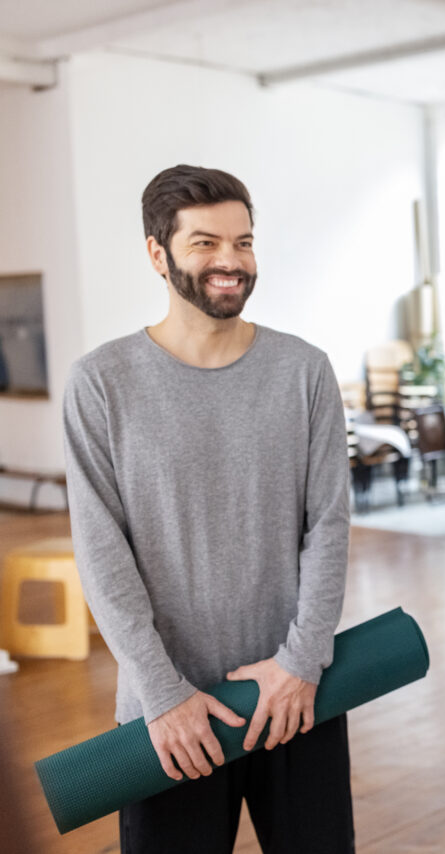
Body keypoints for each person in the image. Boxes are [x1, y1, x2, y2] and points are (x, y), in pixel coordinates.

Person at [63, 165, 354, 853]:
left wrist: (302, 660)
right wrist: (162, 693)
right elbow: (102, 555)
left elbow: (330, 525)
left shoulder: (304, 370)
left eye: (243, 241)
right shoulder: (101, 383)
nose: (231, 260)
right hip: (170, 714)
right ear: (157, 253)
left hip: (296, 696)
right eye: (205, 243)